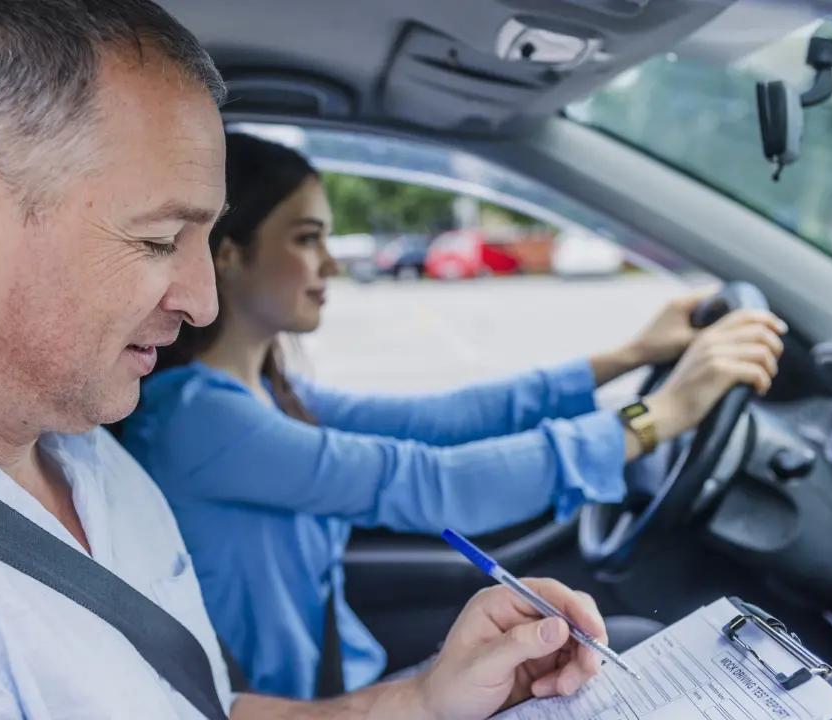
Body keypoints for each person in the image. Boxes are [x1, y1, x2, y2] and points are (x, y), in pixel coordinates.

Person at [0, 2, 638, 718]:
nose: (201, 299)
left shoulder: (71, 450)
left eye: (204, 240)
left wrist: (417, 702)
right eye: (158, 240)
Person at [115, 132, 788, 700]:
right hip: (306, 708)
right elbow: (432, 482)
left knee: (621, 652)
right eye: (307, 238)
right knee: (634, 654)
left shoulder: (265, 392)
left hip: (344, 681)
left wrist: (628, 357)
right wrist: (657, 417)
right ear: (230, 255)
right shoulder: (196, 420)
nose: (331, 262)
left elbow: (437, 420)